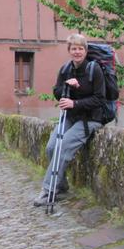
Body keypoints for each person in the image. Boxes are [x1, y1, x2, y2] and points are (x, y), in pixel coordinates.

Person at [33, 33, 106, 207]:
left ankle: (48, 190)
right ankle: (62, 185)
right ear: (69, 50)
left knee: (63, 145)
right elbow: (57, 92)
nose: (77, 52)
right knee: (52, 147)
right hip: (71, 117)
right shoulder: (66, 69)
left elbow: (99, 99)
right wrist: (67, 86)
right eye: (74, 48)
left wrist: (75, 101)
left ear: (85, 51)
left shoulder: (93, 70)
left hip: (91, 119)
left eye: (81, 48)